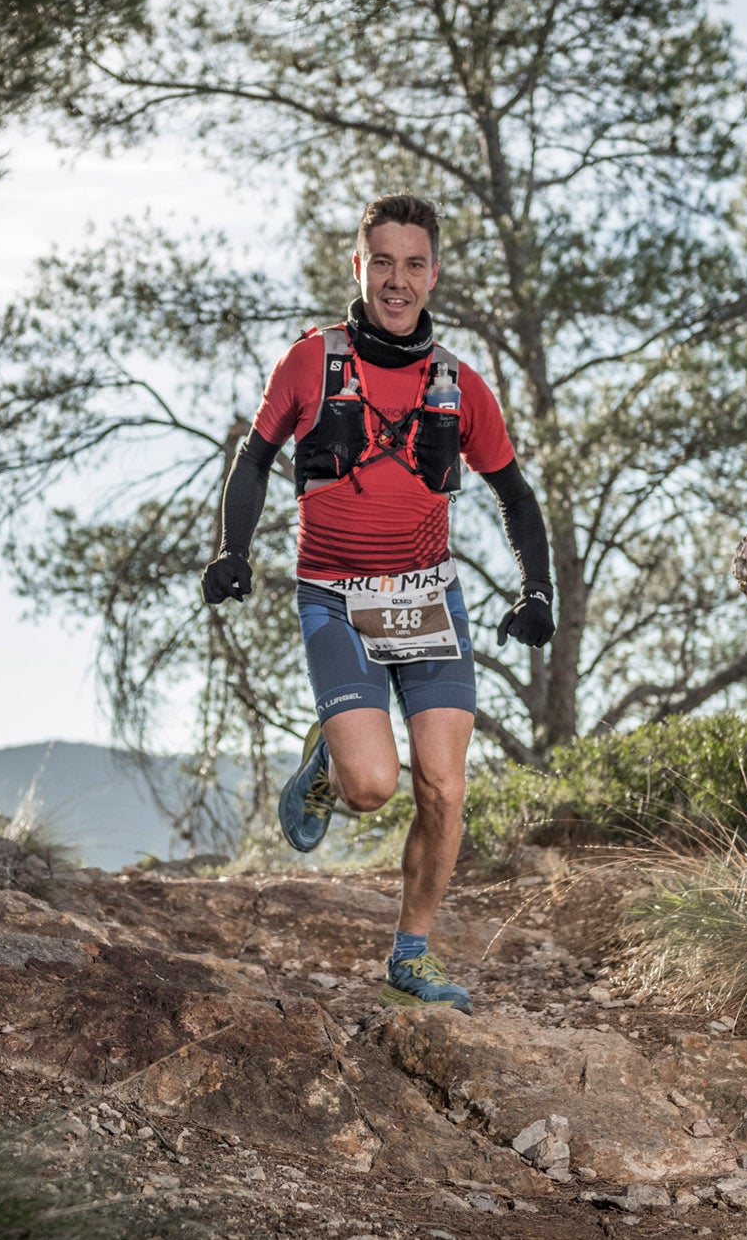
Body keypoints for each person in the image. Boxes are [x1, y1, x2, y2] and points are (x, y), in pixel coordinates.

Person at [200, 192, 554, 1014]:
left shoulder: (460, 385)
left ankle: (412, 953)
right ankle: (329, 761)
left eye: (414, 263)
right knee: (371, 785)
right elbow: (253, 462)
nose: (398, 280)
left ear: (433, 272)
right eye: (382, 262)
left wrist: (538, 590)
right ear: (359, 266)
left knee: (445, 786)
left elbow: (515, 494)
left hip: (430, 601)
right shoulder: (310, 364)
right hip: (334, 600)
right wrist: (233, 547)